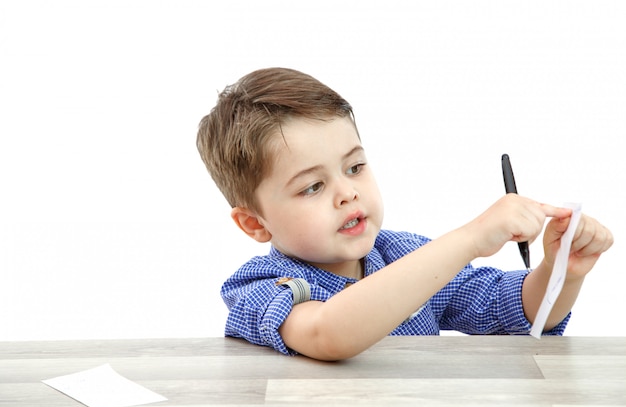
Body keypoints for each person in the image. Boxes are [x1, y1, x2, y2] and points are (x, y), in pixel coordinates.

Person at [196, 67, 613, 361]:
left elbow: (512, 310)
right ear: (255, 223)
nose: (348, 193)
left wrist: (561, 269)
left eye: (354, 167)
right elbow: (329, 333)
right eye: (313, 187)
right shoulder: (259, 287)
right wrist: (469, 238)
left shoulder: (401, 253)